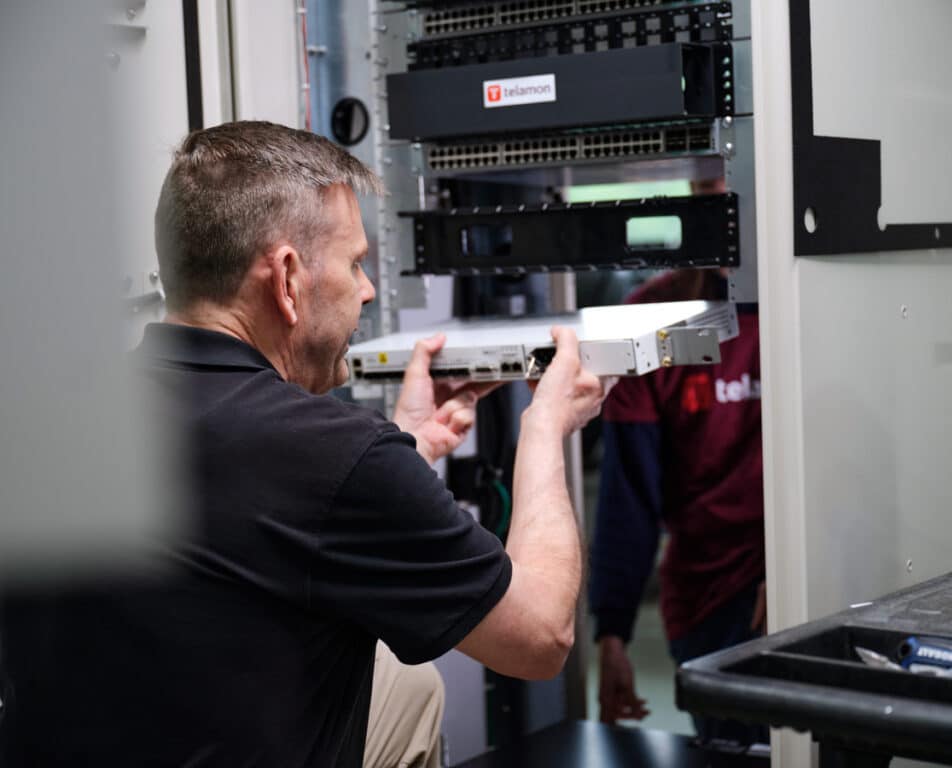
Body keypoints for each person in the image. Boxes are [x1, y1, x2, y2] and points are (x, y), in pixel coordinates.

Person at [0, 121, 606, 768]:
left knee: (408, 689)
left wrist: (409, 448)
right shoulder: (332, 453)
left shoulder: (47, 415)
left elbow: (244, 519)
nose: (368, 289)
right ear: (287, 277)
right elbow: (541, 637)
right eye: (355, 263)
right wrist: (543, 430)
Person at [588, 266, 766, 745]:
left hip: (801, 587)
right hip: (706, 597)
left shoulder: (808, 301)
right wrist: (613, 632)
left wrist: (795, 566)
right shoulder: (649, 319)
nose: (722, 191)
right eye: (709, 186)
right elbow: (627, 494)